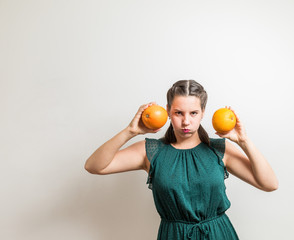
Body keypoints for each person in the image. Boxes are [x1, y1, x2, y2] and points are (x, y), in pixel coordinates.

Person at [85, 80, 278, 239]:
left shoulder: (219, 149)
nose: (186, 121)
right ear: (168, 111)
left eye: (193, 113)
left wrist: (244, 142)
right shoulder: (151, 152)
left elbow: (270, 184)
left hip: (219, 234)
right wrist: (130, 131)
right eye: (179, 113)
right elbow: (94, 166)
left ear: (203, 112)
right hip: (174, 235)